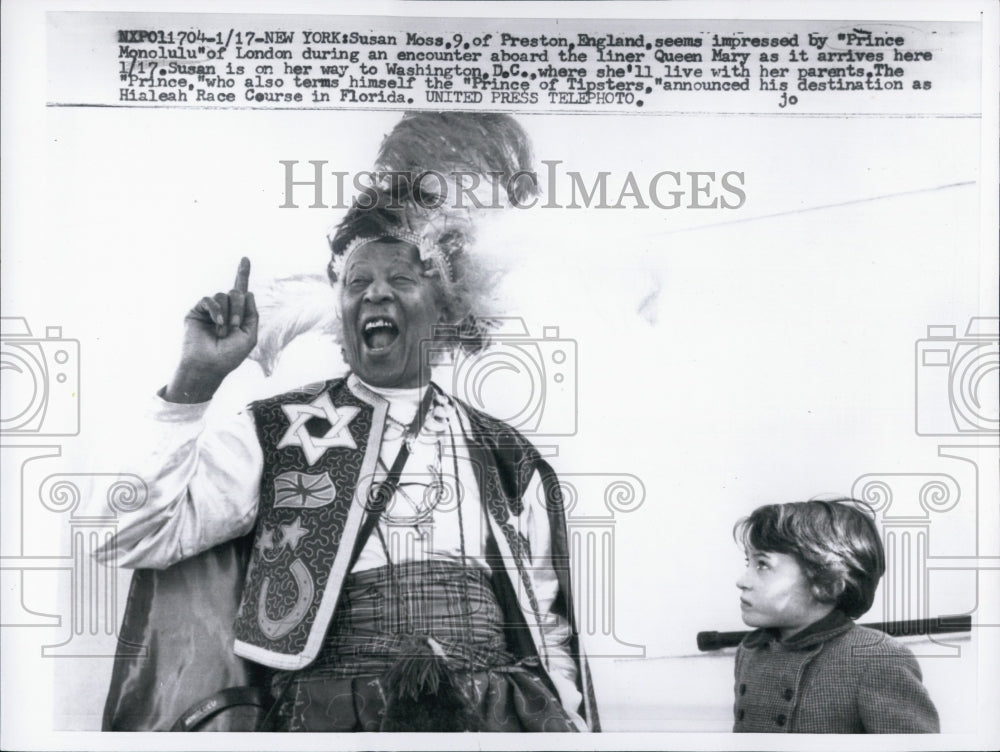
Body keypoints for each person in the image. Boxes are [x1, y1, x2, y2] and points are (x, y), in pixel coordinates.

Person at [95, 114, 598, 732]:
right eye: (358, 281)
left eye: (400, 279)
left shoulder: (505, 455)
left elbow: (545, 622)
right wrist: (194, 383)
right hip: (330, 721)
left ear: (447, 305)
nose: (375, 294)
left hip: (491, 720)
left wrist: (568, 725)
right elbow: (131, 535)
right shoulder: (278, 430)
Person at [732, 499, 939, 733]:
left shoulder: (876, 657)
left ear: (826, 581)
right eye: (749, 562)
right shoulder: (751, 651)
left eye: (762, 565)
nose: (742, 581)